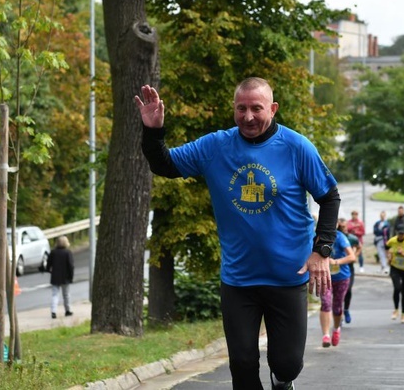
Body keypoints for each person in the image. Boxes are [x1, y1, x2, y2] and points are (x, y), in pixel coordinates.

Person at [134, 78, 340, 390]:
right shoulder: (215, 146)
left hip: (287, 277)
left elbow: (329, 197)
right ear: (234, 109)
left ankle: (282, 381)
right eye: (241, 109)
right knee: (242, 365)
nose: (248, 117)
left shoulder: (296, 147)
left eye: (256, 108)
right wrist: (153, 131)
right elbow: (164, 165)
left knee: (287, 364)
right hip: (239, 279)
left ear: (272, 108)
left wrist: (321, 250)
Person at [320, 219, 356, 347]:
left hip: (341, 277)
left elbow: (352, 257)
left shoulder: (340, 237)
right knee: (325, 303)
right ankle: (326, 335)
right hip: (325, 276)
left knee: (337, 307)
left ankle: (336, 329)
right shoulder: (318, 237)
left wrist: (335, 262)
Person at [46, 235, 74, 319]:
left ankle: (53, 311)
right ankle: (67, 310)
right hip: (65, 277)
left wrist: (49, 270)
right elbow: (71, 266)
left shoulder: (53, 252)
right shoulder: (68, 252)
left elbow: (48, 264)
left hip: (55, 277)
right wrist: (71, 277)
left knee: (55, 294)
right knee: (66, 295)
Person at [339, 218, 361, 324]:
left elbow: (359, 247)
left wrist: (355, 255)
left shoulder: (352, 238)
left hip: (349, 267)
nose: (343, 229)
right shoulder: (336, 237)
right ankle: (339, 313)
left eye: (345, 226)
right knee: (338, 292)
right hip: (337, 268)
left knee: (348, 289)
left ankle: (346, 310)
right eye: (341, 227)